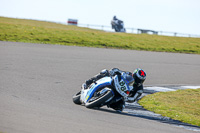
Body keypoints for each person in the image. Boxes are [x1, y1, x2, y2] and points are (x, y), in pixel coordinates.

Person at [82, 68, 146, 111]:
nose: (137, 81)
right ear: (133, 74)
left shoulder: (139, 89)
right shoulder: (128, 74)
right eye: (136, 78)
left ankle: (103, 102)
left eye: (140, 80)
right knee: (105, 72)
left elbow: (133, 99)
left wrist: (126, 98)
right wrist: (113, 71)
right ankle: (89, 82)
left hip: (120, 96)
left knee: (120, 107)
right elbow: (118, 71)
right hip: (114, 85)